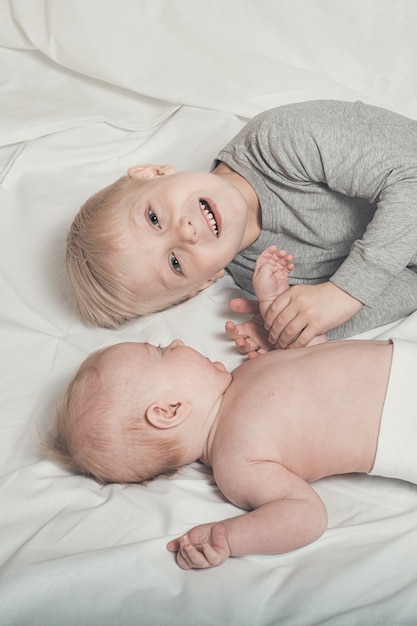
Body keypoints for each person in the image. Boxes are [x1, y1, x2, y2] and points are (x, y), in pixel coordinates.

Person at [49, 247, 417, 569]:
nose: (176, 342)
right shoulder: (236, 462)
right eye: (161, 352)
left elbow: (318, 359)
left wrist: (274, 305)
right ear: (170, 410)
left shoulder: (243, 377)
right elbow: (306, 515)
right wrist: (230, 536)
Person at [66, 100, 417, 350]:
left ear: (152, 173)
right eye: (175, 262)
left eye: (154, 218)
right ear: (202, 285)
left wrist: (344, 293)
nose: (185, 232)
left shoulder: (277, 141)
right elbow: (407, 282)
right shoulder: (261, 274)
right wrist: (305, 326)